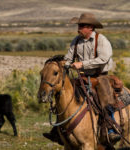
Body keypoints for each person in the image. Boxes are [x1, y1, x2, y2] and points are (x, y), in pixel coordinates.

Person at [43, 12, 121, 144]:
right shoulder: (76, 40)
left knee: (105, 99)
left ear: (90, 27)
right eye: (79, 25)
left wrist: (82, 64)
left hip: (100, 77)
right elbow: (68, 58)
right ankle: (58, 129)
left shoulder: (101, 40)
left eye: (82, 25)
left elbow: (103, 59)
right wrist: (62, 63)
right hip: (83, 77)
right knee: (63, 93)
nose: (78, 28)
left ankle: (110, 129)